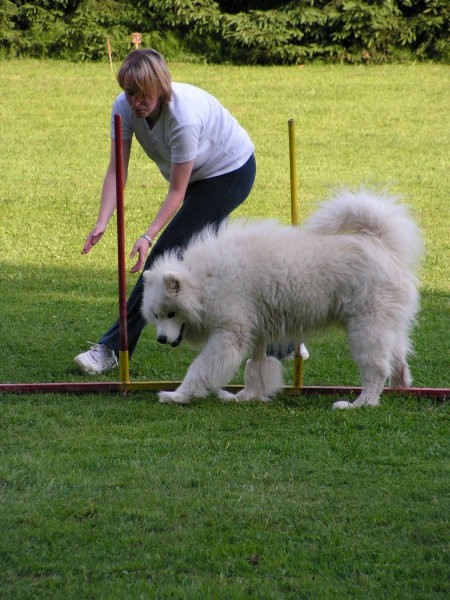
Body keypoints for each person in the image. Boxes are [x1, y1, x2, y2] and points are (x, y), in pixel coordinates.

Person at [74, 48, 256, 374]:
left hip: (230, 172)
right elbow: (118, 171)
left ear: (161, 88)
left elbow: (177, 191)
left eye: (144, 95)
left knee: (161, 258)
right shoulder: (123, 109)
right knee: (213, 265)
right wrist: (103, 220)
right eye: (130, 93)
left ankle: (111, 348)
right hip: (198, 177)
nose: (135, 102)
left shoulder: (183, 119)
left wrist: (147, 236)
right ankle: (283, 342)